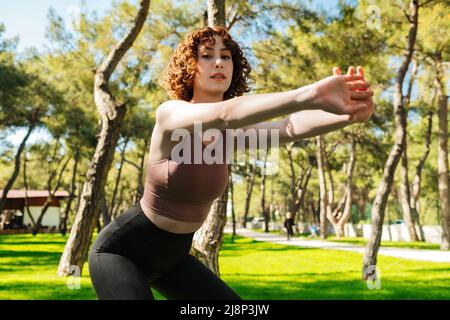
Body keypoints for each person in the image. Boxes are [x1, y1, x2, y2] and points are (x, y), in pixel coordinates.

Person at [88, 26, 374, 300]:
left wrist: (347, 116)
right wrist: (308, 95)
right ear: (190, 66)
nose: (219, 63)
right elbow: (226, 113)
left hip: (173, 258)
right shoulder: (171, 115)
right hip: (121, 253)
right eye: (207, 55)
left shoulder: (230, 135)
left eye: (226, 57)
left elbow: (289, 128)